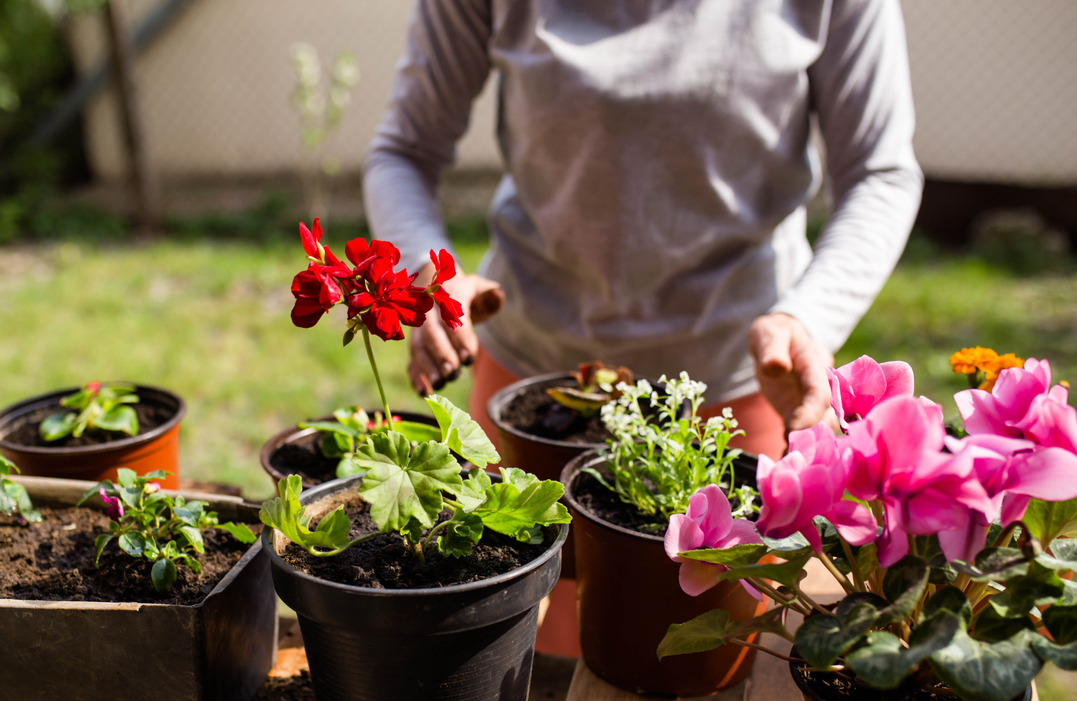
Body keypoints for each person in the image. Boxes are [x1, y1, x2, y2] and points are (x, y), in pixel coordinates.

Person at [362, 0, 923, 655]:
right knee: (531, 671)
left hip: (741, 394)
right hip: (532, 398)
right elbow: (403, 149)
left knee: (708, 668)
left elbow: (880, 172)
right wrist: (432, 272)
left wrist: (809, 316)